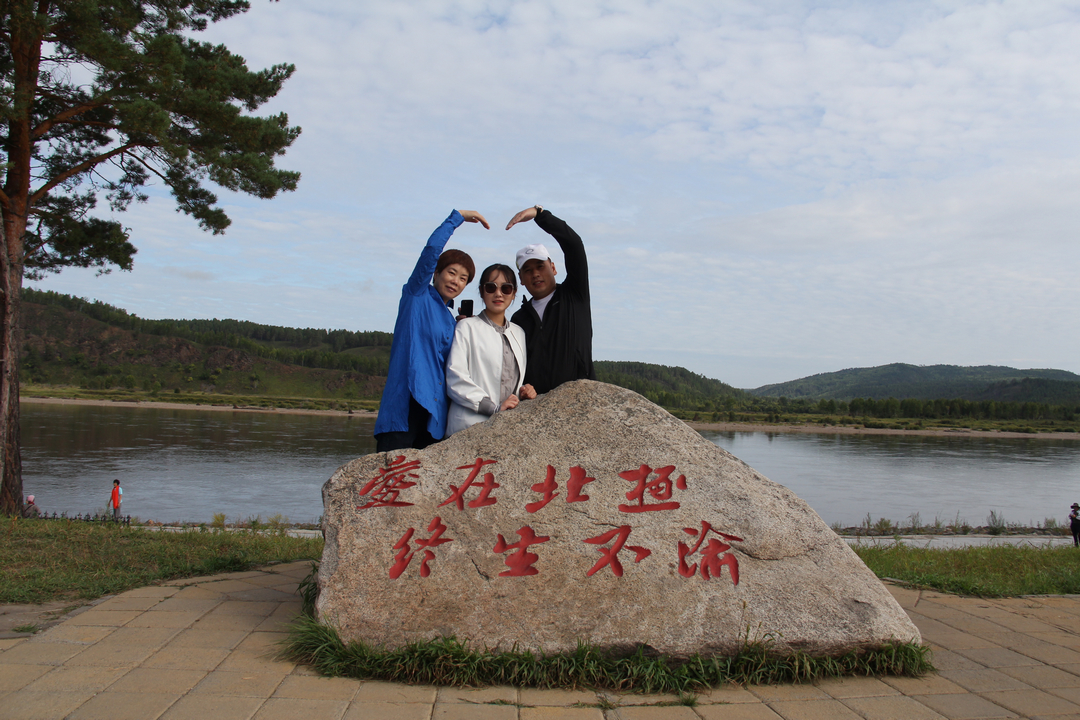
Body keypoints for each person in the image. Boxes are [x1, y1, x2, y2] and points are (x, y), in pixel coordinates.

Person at [374, 210, 488, 452]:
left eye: (463, 278)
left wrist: (462, 329)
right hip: (404, 406)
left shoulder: (451, 320)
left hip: (434, 417)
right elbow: (431, 251)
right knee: (393, 473)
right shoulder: (416, 295)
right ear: (436, 273)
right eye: (451, 272)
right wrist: (456, 218)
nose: (456, 281)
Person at [507, 205, 595, 395]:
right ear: (521, 279)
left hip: (581, 399)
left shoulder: (574, 294)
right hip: (538, 406)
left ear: (553, 268)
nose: (535, 274)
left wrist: (540, 215)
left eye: (540, 266)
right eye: (528, 270)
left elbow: (574, 245)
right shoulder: (518, 320)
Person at [446, 264, 537, 435]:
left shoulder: (518, 333)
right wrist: (493, 408)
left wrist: (523, 391)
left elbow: (509, 380)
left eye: (506, 288)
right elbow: (455, 377)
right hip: (468, 427)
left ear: (514, 293)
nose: (498, 294)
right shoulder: (466, 327)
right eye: (491, 287)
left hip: (504, 430)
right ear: (482, 291)